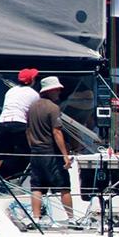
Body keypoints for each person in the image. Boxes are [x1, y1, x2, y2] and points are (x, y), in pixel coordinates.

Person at [26, 76, 73, 224]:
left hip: (35, 152)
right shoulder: (53, 108)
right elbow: (57, 132)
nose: (59, 92)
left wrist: (32, 147)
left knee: (37, 186)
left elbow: (27, 130)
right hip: (50, 152)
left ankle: (36, 218)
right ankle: (71, 218)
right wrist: (65, 156)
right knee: (64, 186)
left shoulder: (32, 107)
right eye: (57, 89)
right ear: (50, 90)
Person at [0, 68, 40, 187]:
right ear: (31, 81)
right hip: (19, 124)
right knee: (30, 155)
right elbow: (34, 114)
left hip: (3, 123)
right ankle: (35, 185)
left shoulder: (10, 92)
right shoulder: (34, 94)